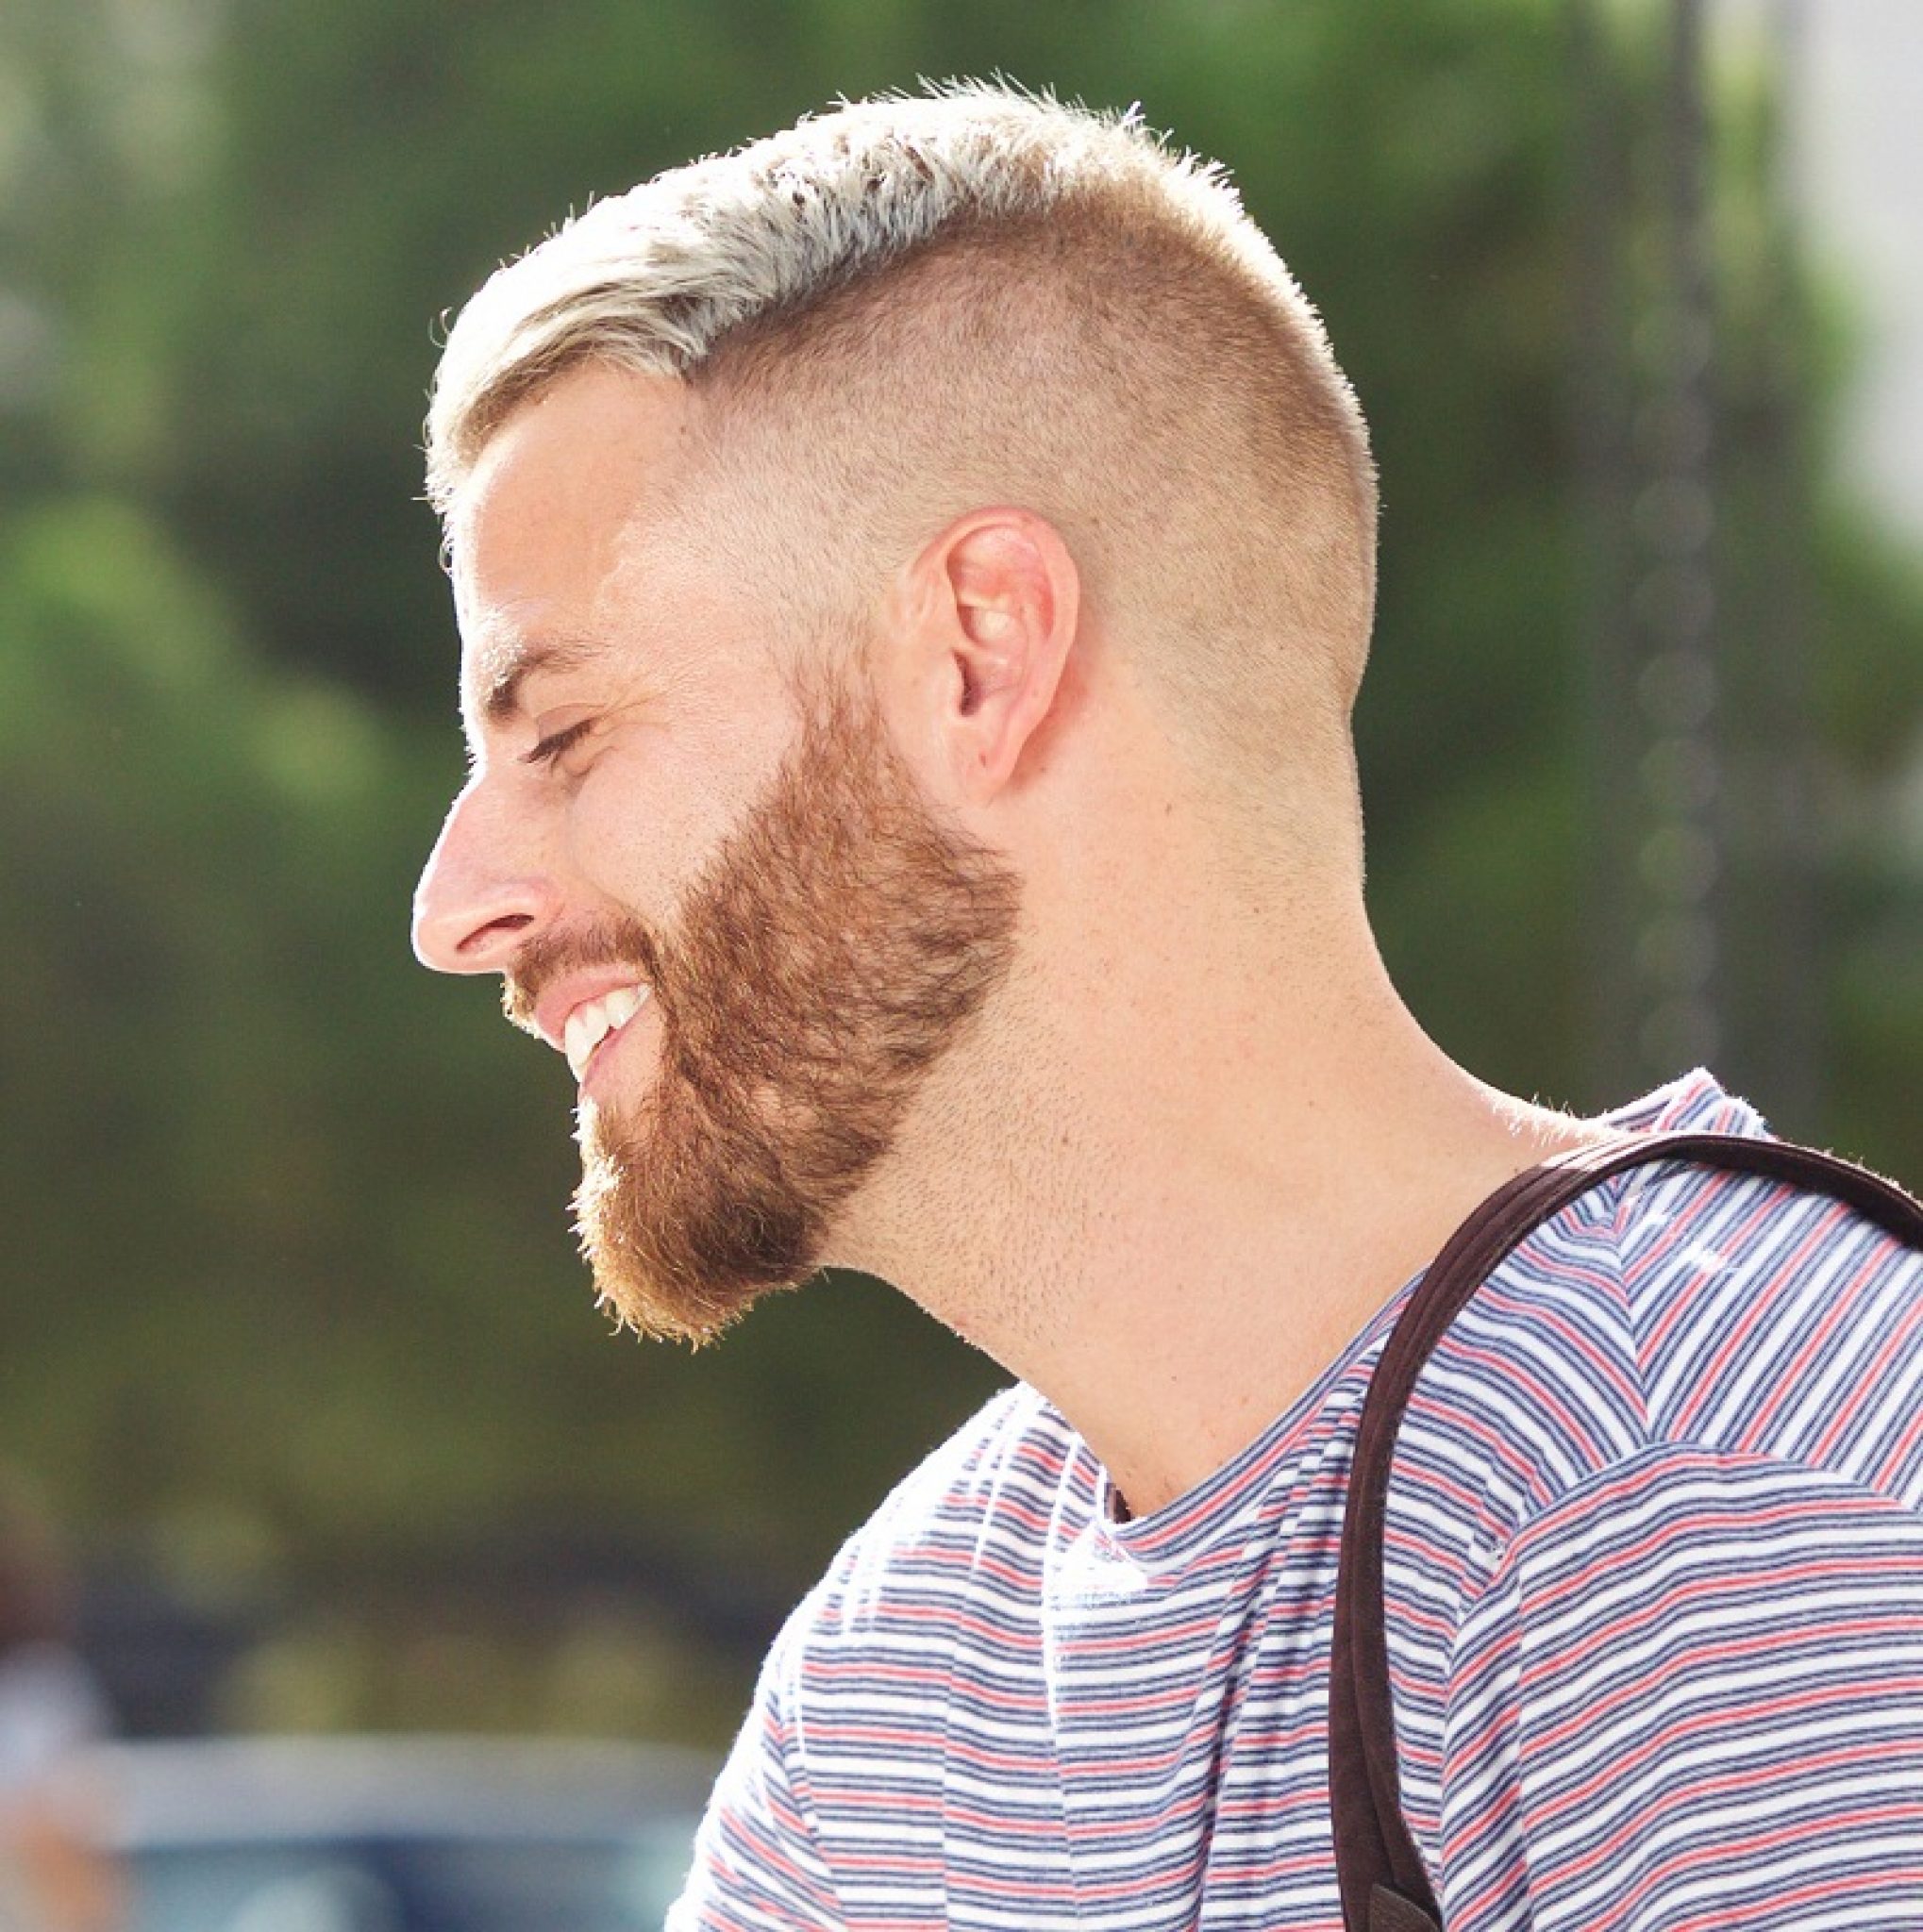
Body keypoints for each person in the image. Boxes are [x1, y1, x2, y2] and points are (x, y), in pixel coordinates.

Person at [410, 83, 1923, 1930]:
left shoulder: (1719, 1516)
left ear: (978, 654)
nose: (454, 908)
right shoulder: (883, 1705)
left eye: (561, 732)